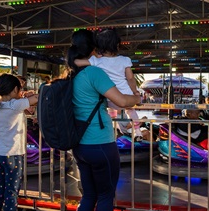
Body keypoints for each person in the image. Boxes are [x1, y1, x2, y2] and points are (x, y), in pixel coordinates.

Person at [69, 29, 140, 211]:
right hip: (100, 142)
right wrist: (137, 99)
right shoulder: (94, 73)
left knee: (89, 195)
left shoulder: (72, 74)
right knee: (105, 195)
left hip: (79, 144)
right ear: (94, 48)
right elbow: (122, 101)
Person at [75, 28, 143, 142]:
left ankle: (114, 129)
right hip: (125, 95)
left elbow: (77, 63)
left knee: (110, 109)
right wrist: (135, 92)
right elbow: (130, 78)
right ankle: (138, 131)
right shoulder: (125, 60)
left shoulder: (97, 61)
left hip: (109, 95)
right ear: (117, 45)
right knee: (130, 110)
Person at [0, 73, 38, 211]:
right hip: (12, 155)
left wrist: (24, 96)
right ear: (14, 89)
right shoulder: (15, 104)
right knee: (11, 193)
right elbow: (37, 98)